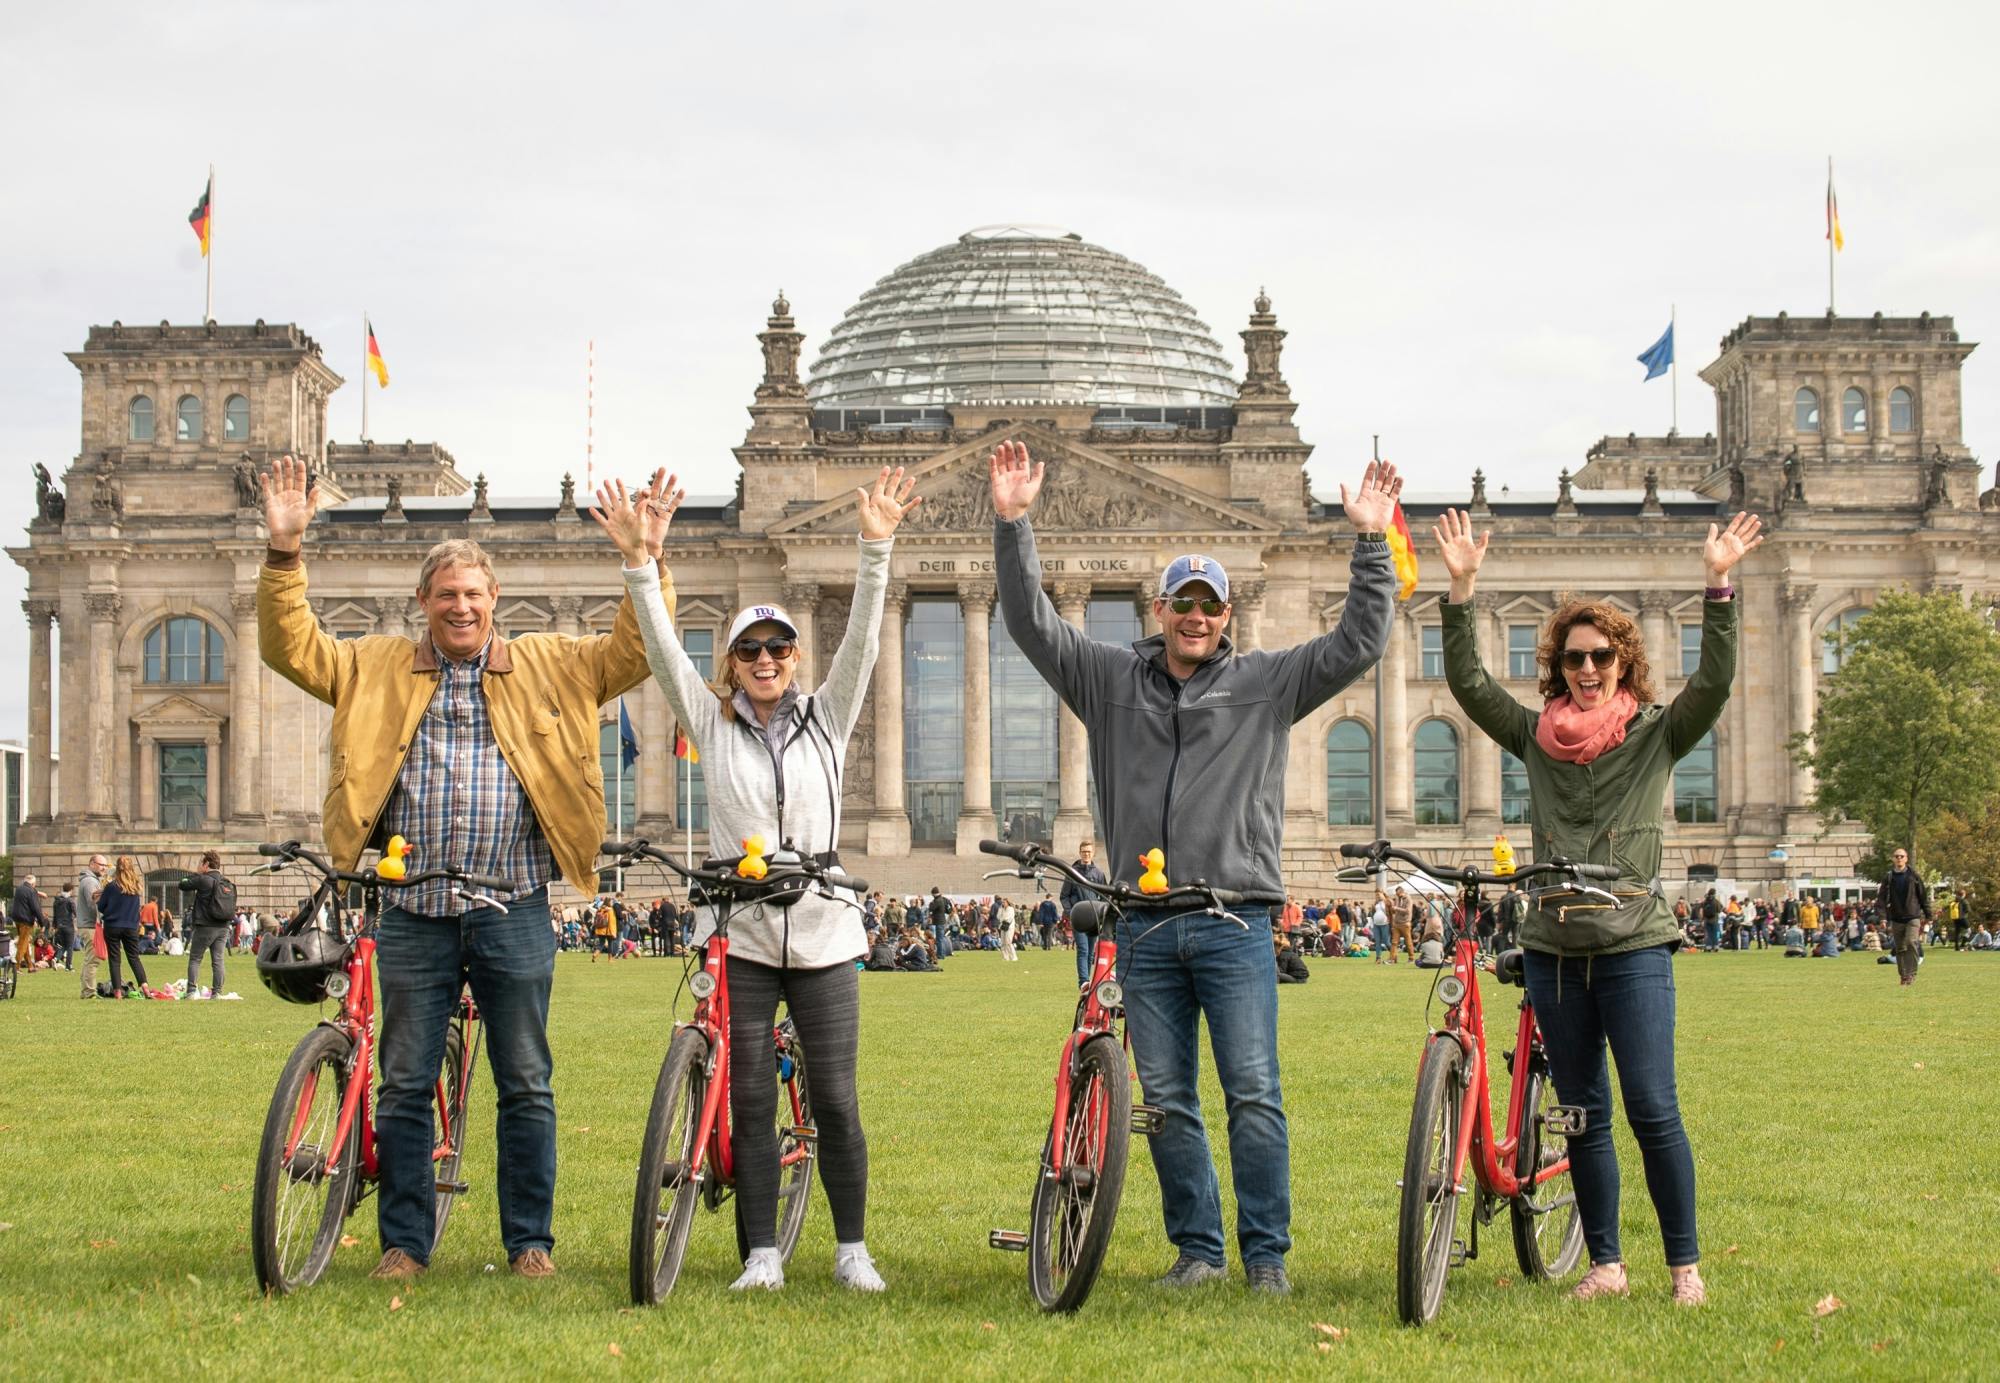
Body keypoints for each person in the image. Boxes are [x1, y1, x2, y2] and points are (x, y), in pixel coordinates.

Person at [991, 438, 1397, 1296]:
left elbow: (1360, 641)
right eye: (1185, 602)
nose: (1198, 617)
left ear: (1227, 615)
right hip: (1142, 923)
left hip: (1233, 918)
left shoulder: (1266, 682)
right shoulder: (1106, 679)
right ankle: (1200, 1251)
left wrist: (1369, 541)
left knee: (1253, 1093)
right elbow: (1031, 622)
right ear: (1160, 605)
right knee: (1167, 1101)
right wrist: (1014, 524)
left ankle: (1267, 1257)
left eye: (1210, 605)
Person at [259, 454, 673, 1282]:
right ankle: (405, 1245)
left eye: (474, 596)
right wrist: (283, 552)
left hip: (512, 901)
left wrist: (643, 559)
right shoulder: (373, 665)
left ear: (496, 604)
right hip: (412, 906)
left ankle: (530, 1244)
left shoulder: (553, 663)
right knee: (406, 1080)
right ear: (424, 603)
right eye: (446, 595)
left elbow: (636, 654)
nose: (460, 607)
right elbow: (292, 646)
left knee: (526, 1078)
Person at [594, 461, 919, 1294]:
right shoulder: (706, 717)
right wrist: (642, 561)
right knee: (748, 1098)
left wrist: (873, 548)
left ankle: (852, 1248)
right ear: (732, 663)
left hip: (820, 927)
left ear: (794, 656)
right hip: (735, 929)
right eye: (750, 649)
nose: (766, 659)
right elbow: (665, 651)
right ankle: (762, 1254)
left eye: (778, 647)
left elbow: (865, 637)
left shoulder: (830, 714)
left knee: (836, 1098)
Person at [1432, 503, 1762, 1307]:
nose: (1587, 668)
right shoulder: (1535, 734)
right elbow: (1471, 686)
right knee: (1581, 1112)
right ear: (1559, 664)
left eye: (1600, 656)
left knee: (1653, 1106)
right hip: (1552, 947)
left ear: (1623, 663)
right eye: (1575, 657)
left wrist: (1718, 585)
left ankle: (1684, 1266)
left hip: (1634, 945)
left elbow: (1714, 682)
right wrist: (1461, 592)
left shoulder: (1656, 734)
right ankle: (1607, 1263)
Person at [178, 850, 235, 1000]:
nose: (198, 865)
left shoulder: (204, 880)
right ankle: (217, 992)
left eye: (200, 863)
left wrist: (196, 874)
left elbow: (182, 884)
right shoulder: (226, 882)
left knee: (195, 958)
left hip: (205, 926)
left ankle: (191, 990)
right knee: (218, 960)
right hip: (223, 927)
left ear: (206, 864)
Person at [1877, 846, 1932, 988]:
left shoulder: (1914, 876)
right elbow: (1881, 899)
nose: (1899, 858)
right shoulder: (1888, 877)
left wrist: (1928, 915)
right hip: (1896, 917)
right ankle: (1904, 975)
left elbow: (1923, 897)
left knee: (1911, 942)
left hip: (1912, 916)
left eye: (1902, 856)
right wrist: (1883, 917)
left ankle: (1911, 973)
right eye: (1896, 856)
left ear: (1906, 859)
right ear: (1893, 859)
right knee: (1900, 948)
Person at [97, 856, 148, 997]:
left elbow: (101, 907)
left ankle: (118, 991)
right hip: (131, 926)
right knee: (134, 957)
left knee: (114, 959)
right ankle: (145, 987)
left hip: (112, 925)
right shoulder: (135, 887)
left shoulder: (111, 886)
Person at [1061, 840, 1110, 984]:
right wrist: (1071, 913)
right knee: (1082, 949)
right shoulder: (1073, 872)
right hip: (1079, 918)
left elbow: (1105, 896)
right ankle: (1083, 981)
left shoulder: (1099, 874)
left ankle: (1088, 981)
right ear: (1080, 853)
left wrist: (1102, 912)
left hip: (1094, 918)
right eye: (1084, 851)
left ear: (1093, 853)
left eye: (1089, 851)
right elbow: (1064, 896)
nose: (1086, 854)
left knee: (1090, 953)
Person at [75, 855, 107, 999]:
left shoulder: (91, 880)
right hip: (89, 925)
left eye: (106, 865)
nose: (104, 868)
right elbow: (92, 903)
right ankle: (89, 992)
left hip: (88, 924)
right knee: (93, 959)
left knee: (90, 958)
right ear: (92, 864)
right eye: (101, 865)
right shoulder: (89, 881)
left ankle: (87, 990)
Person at [10, 871, 47, 971]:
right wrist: (42, 922)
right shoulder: (31, 891)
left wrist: (36, 892)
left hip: (16, 919)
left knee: (24, 942)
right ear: (33, 884)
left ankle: (30, 966)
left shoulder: (19, 889)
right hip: (25, 920)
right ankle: (16, 967)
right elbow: (36, 908)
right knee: (22, 943)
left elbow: (29, 893)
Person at [1387, 887, 1416, 965]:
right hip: (1396, 923)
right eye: (1396, 894)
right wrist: (1392, 908)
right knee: (1394, 942)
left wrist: (1396, 908)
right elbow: (1395, 911)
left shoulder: (1409, 899)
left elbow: (1407, 911)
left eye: (1398, 894)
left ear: (1402, 892)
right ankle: (1392, 959)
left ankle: (1411, 958)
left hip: (1405, 923)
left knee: (1408, 942)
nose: (1397, 895)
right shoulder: (1397, 899)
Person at [50, 883, 75, 971]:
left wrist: (54, 926)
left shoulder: (56, 901)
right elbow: (75, 912)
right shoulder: (70, 900)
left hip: (59, 927)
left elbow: (54, 915)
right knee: (70, 946)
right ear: (71, 890)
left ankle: (56, 959)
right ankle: (69, 966)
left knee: (63, 945)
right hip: (68, 926)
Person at [926, 888, 953, 962]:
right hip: (942, 921)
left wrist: (931, 903)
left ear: (934, 893)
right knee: (940, 939)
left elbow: (931, 908)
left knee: (939, 940)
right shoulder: (943, 899)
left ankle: (940, 955)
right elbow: (949, 910)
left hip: (939, 922)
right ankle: (942, 954)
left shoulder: (937, 900)